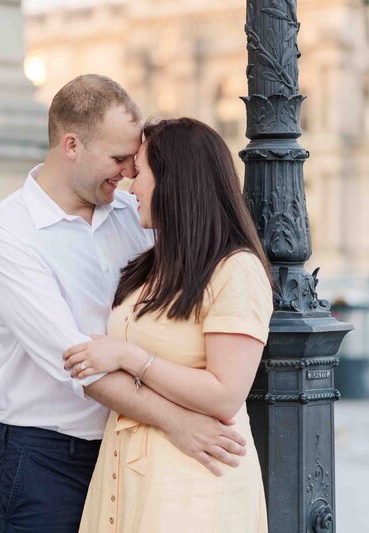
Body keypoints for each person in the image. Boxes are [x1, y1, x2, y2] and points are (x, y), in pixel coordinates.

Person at [0, 75, 249, 533]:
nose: (128, 173)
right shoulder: (8, 235)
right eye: (118, 158)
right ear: (71, 145)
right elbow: (81, 364)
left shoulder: (135, 216)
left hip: (134, 452)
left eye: (133, 160)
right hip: (47, 463)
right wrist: (179, 422)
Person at [64, 117, 270, 532]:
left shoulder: (236, 270)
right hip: (126, 470)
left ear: (177, 180)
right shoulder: (150, 266)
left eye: (139, 172)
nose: (129, 186)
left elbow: (225, 394)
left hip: (191, 479)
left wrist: (129, 356)